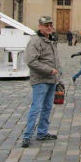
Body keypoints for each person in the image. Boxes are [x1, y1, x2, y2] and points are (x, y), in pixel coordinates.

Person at [21, 16, 61, 148]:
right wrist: (50, 70)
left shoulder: (51, 40)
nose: (49, 27)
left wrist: (58, 74)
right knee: (36, 107)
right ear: (40, 26)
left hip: (51, 79)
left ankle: (42, 132)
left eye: (50, 24)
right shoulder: (35, 41)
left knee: (48, 107)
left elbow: (54, 59)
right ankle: (27, 135)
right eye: (46, 25)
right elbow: (31, 62)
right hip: (40, 80)